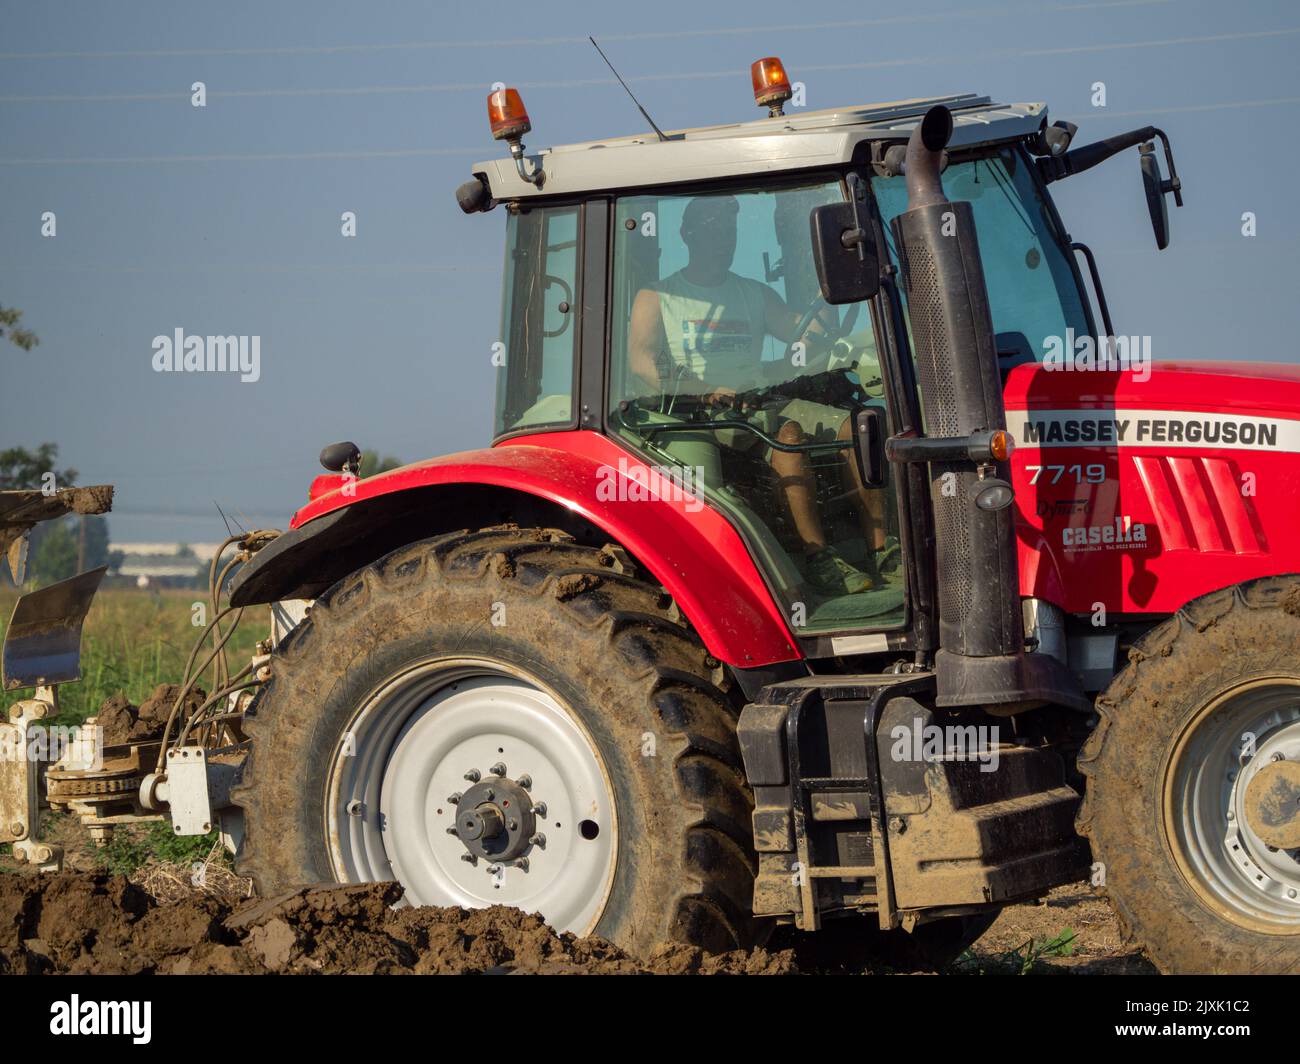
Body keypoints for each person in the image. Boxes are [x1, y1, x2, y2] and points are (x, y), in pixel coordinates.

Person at [626, 194, 887, 596]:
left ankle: (884, 552)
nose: (724, 240)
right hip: (697, 416)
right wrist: (704, 390)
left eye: (729, 231)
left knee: (857, 427)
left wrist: (828, 300)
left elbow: (801, 331)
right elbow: (642, 361)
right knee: (789, 436)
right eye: (714, 229)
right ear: (688, 235)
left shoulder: (753, 293)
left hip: (757, 403)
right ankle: (818, 557)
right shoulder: (658, 298)